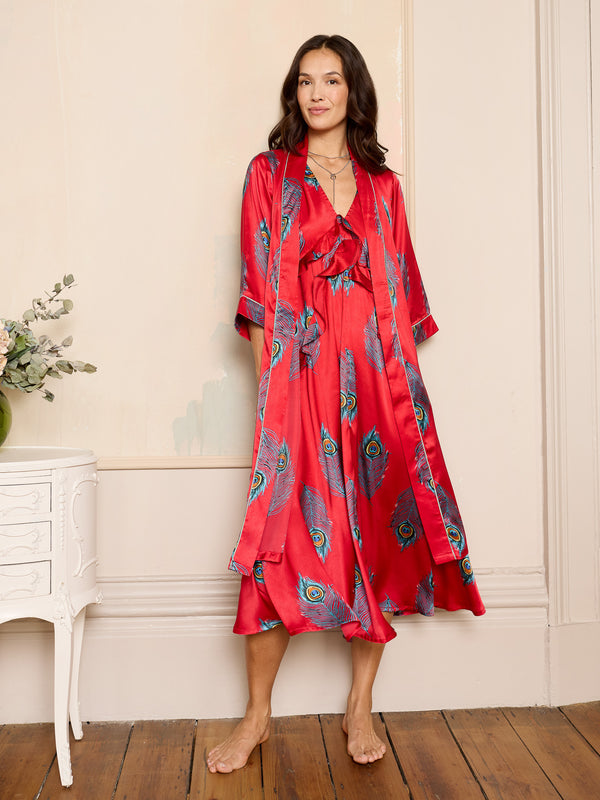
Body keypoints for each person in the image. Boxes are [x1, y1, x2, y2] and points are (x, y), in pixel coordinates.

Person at [207, 33, 485, 774]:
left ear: (353, 91)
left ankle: (358, 706)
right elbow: (260, 301)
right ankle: (257, 716)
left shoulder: (384, 185)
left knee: (374, 534)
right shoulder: (269, 173)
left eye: (332, 80)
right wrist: (274, 398)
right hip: (298, 383)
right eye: (306, 81)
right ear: (293, 93)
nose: (318, 93)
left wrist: (399, 396)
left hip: (375, 382)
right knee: (279, 548)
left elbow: (404, 296)